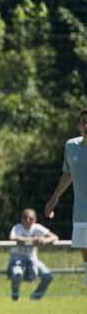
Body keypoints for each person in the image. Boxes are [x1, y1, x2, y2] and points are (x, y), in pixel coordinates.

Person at [45, 109, 87, 292]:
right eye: (84, 121)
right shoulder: (71, 146)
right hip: (81, 214)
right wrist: (54, 199)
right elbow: (68, 173)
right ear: (79, 125)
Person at [8, 208, 58, 301]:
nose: (28, 220)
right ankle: (15, 296)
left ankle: (35, 297)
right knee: (17, 274)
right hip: (17, 258)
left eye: (30, 218)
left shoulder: (37, 227)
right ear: (21, 219)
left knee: (48, 276)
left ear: (35, 220)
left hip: (32, 259)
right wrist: (33, 240)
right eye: (25, 218)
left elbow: (54, 237)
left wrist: (44, 240)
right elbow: (12, 237)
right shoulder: (17, 227)